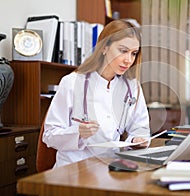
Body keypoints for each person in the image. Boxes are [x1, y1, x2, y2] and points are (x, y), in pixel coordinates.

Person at [43, 19, 150, 168]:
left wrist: (137, 140)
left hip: (110, 166)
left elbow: (140, 128)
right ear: (104, 47)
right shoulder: (72, 82)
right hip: (74, 169)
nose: (128, 60)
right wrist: (79, 132)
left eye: (134, 53)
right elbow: (49, 135)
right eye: (123, 51)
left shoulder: (132, 87)